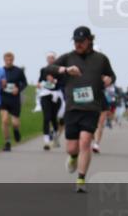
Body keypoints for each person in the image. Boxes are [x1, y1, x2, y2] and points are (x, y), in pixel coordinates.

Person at [43, 26, 116, 192]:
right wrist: (65, 70)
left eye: (81, 41)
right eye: (76, 41)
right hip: (73, 107)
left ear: (89, 40)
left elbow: (112, 74)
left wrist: (108, 79)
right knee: (71, 147)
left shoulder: (101, 59)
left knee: (85, 142)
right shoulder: (68, 58)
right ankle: (73, 157)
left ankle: (81, 179)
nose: (78, 44)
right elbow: (49, 68)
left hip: (91, 107)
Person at [0, 52, 28, 152]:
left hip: (14, 99)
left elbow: (25, 83)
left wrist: (18, 89)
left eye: (10, 60)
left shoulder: (18, 71)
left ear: (13, 60)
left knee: (15, 123)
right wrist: (0, 86)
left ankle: (16, 130)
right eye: (7, 60)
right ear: (4, 60)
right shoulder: (0, 71)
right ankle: (7, 142)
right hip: (3, 98)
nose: (9, 62)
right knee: (4, 120)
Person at [36, 52, 65, 150]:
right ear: (46, 59)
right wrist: (39, 84)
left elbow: (63, 83)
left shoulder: (60, 70)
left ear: (55, 59)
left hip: (56, 96)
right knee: (46, 117)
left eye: (52, 58)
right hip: (45, 95)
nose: (50, 59)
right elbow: (40, 80)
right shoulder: (43, 70)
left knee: (53, 118)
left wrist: (54, 81)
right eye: (49, 57)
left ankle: (56, 136)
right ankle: (46, 141)